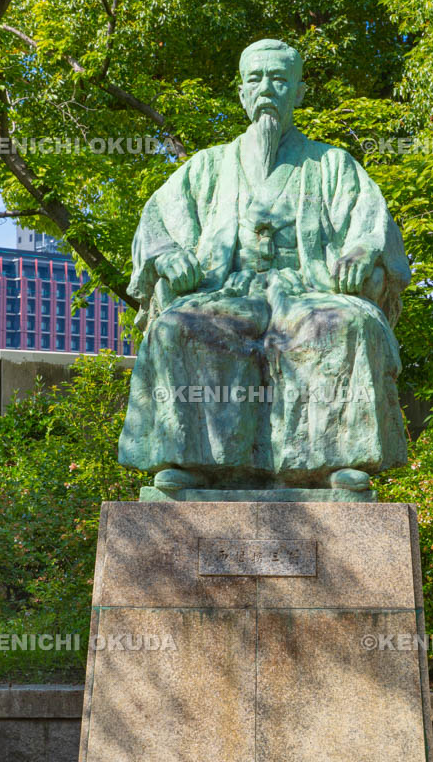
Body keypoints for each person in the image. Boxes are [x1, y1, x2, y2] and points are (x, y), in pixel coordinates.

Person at [119, 38, 411, 491]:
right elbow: (155, 223)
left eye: (279, 79)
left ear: (298, 92)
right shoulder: (208, 166)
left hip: (309, 290)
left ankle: (337, 462)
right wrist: (167, 254)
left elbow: (372, 226)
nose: (266, 89)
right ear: (241, 93)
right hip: (227, 290)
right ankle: (188, 461)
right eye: (255, 79)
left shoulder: (333, 164)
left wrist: (363, 249)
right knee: (177, 327)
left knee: (349, 324)